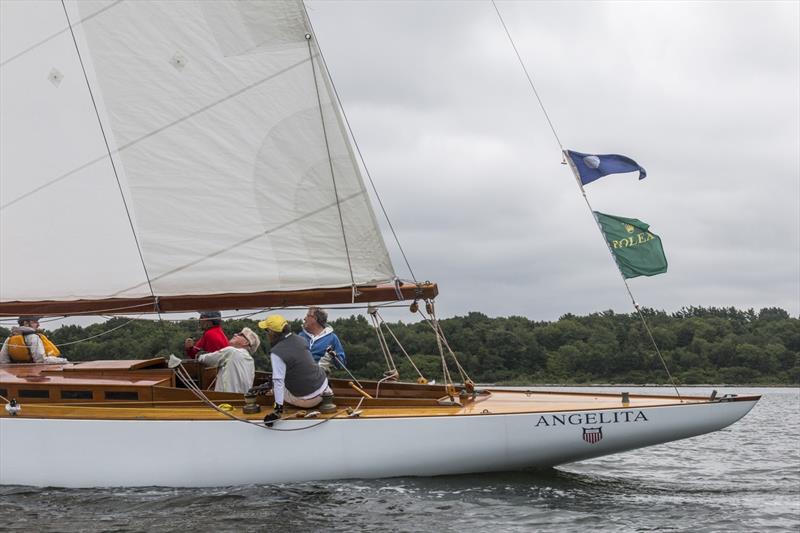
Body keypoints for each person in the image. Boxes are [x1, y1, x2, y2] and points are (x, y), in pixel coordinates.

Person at [258, 314, 330, 425]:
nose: (266, 334)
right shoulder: (301, 339)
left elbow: (278, 381)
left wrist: (277, 411)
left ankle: (273, 395)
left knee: (275, 384)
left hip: (307, 401)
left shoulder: (276, 353)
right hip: (324, 390)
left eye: (267, 331)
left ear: (272, 333)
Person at [196, 327, 259, 394]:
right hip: (242, 400)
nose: (235, 334)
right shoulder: (251, 361)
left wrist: (199, 355)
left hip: (225, 399)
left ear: (246, 342)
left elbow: (207, 359)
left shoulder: (232, 351)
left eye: (240, 334)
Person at [0, 316, 68, 364]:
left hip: (17, 375)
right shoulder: (34, 337)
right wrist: (63, 361)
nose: (38, 325)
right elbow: (40, 360)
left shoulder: (9, 338)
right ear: (26, 323)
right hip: (34, 375)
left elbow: (3, 360)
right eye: (35, 322)